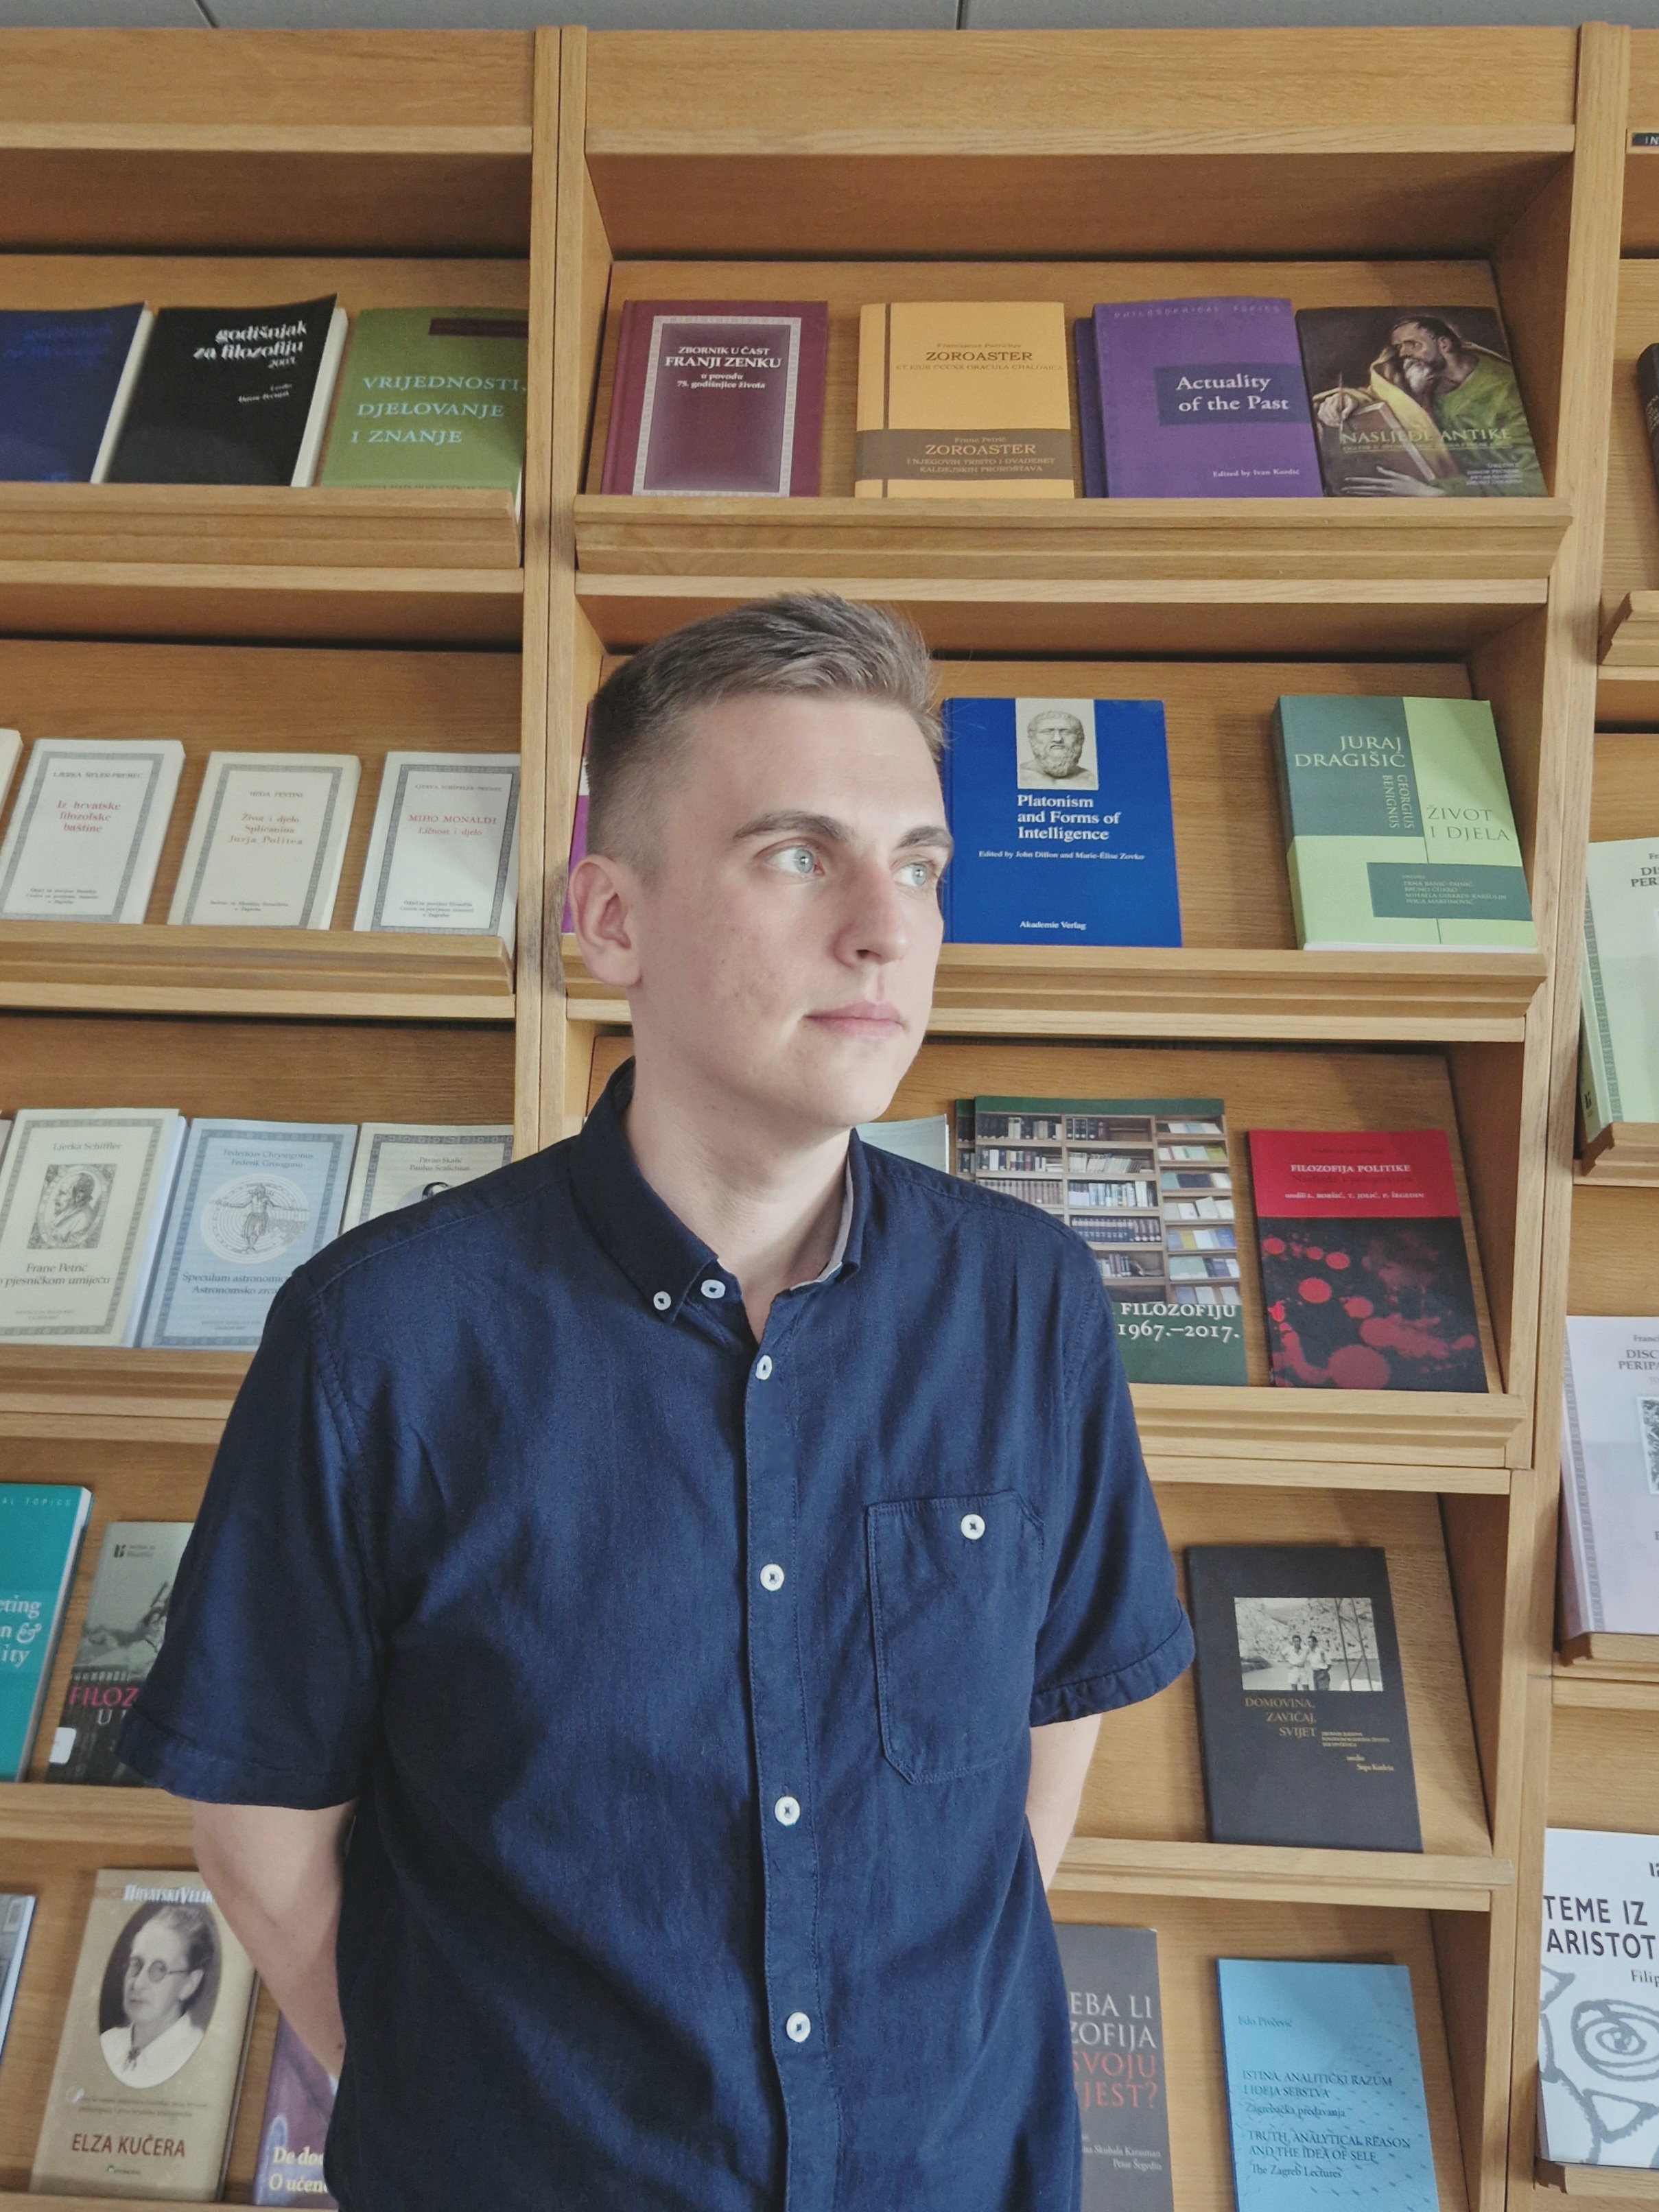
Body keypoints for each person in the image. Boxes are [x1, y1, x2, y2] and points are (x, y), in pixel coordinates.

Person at [119, 593, 1192, 2212]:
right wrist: (491, 2113)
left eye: (916, 863)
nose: (886, 929)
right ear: (610, 919)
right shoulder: (379, 1332)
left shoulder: (1028, 1301)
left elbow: (1044, 1736)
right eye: (794, 854)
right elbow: (260, 1828)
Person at [1314, 313, 1544, 497]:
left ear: (1444, 344)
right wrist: (1351, 399)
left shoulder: (1504, 391)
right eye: (1399, 348)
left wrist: (1437, 492)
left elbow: (1532, 480)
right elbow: (1385, 394)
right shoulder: (1423, 376)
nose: (1403, 354)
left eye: (1412, 344)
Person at [100, 1905, 213, 2089]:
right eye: (136, 1964)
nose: (137, 1983)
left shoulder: (199, 2056)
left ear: (188, 1984)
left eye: (159, 1969)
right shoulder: (107, 2043)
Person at [1019, 707, 1097, 788]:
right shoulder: (1021, 776)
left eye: (1066, 732)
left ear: (1080, 739)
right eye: (1047, 732)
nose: (1058, 739)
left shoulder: (1088, 778)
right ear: (1032, 738)